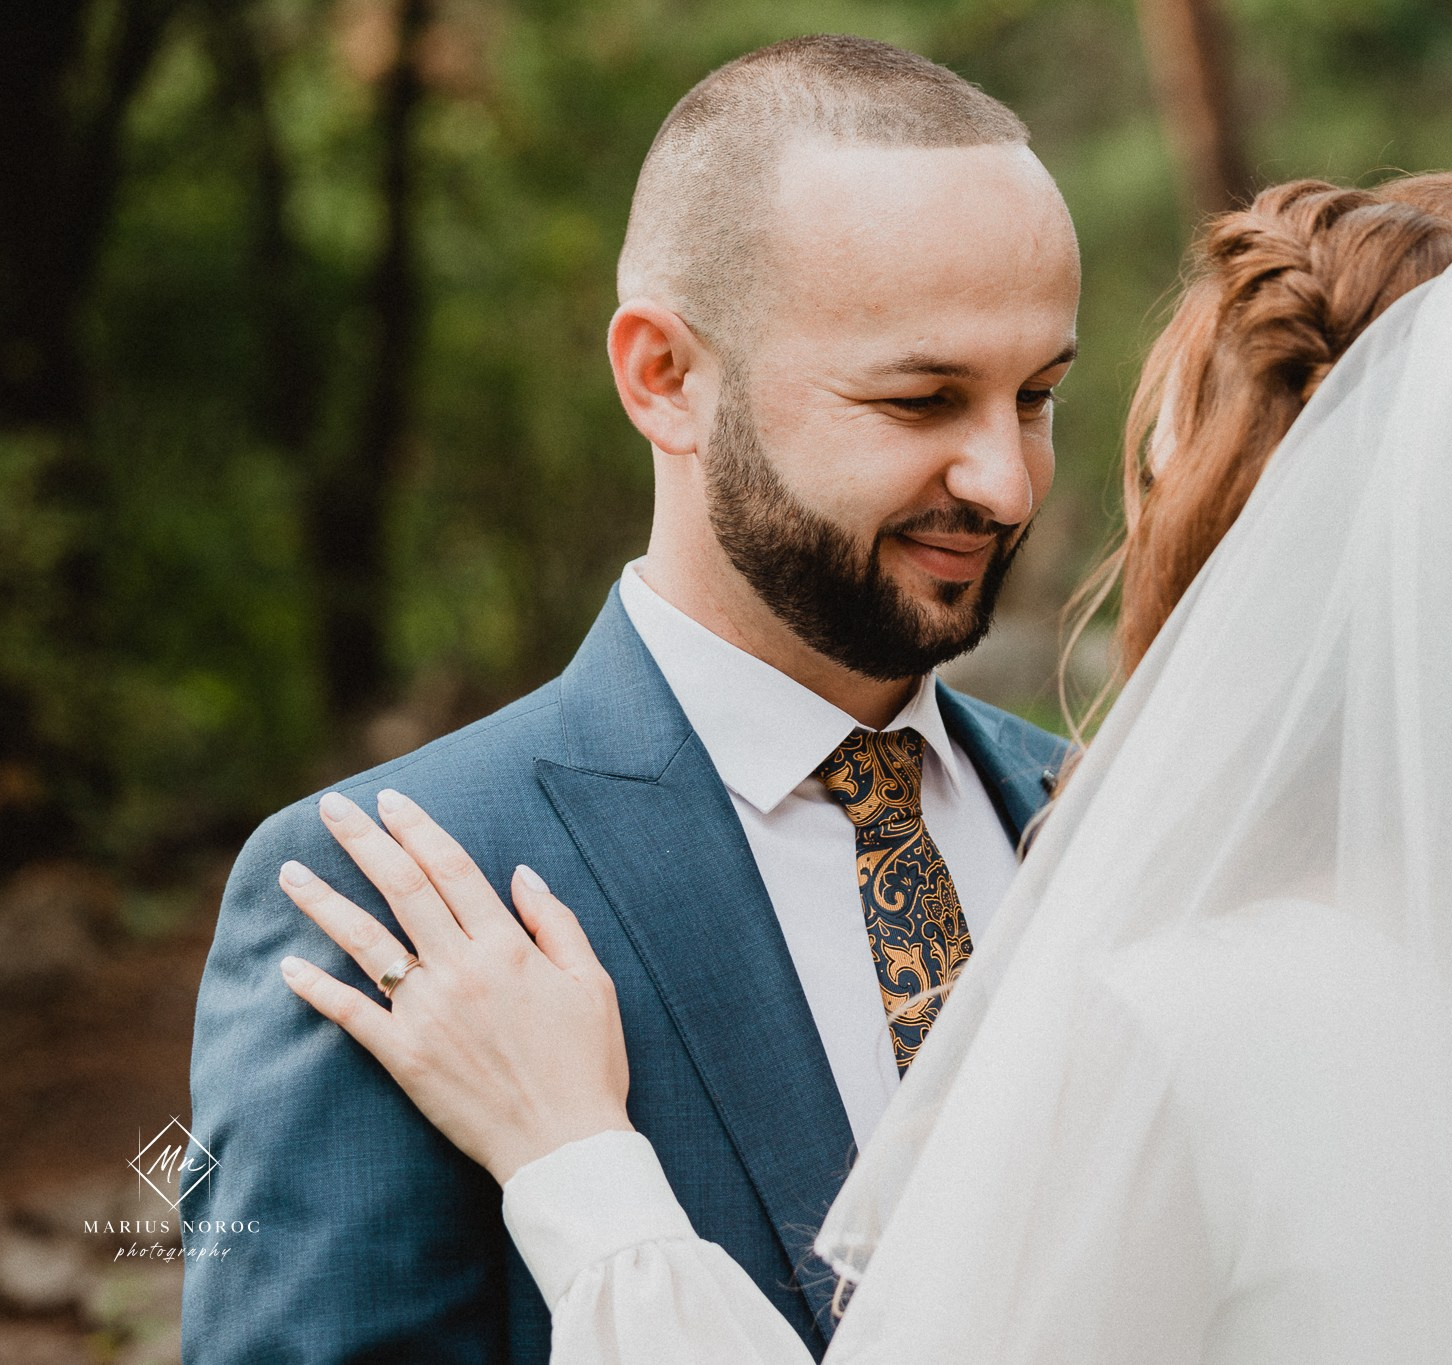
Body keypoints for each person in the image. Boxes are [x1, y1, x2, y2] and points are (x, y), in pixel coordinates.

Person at [276, 175, 1452, 1363]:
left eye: (1073, 413)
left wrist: (581, 1175)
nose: (1011, 488)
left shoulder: (1166, 1000)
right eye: (923, 393)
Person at [181, 36, 1077, 1363]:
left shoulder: (1100, 816)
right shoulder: (396, 884)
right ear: (665, 376)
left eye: (1039, 395)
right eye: (920, 398)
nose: (1004, 482)